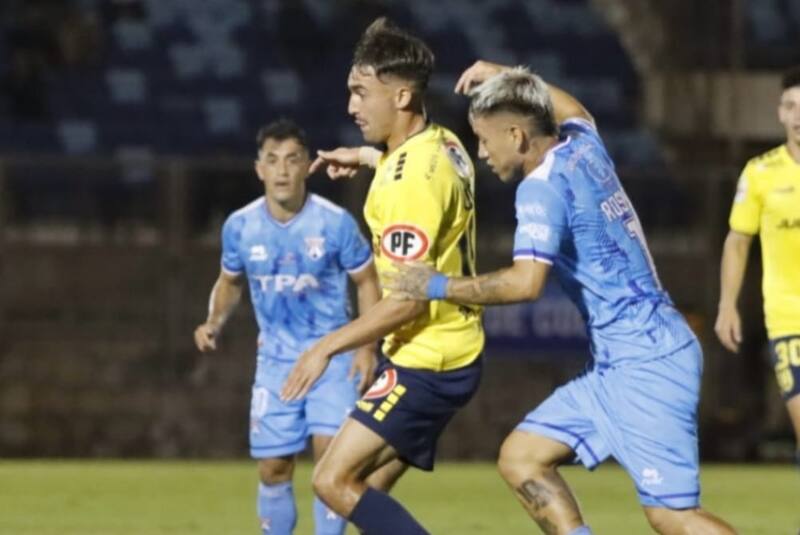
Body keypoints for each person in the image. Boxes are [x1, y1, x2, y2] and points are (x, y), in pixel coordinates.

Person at [385, 61, 736, 535]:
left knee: (671, 515)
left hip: (649, 363)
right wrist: (509, 75)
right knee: (522, 458)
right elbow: (574, 107)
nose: (482, 153)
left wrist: (437, 285)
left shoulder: (540, 190)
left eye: (486, 140)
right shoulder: (582, 146)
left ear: (517, 135)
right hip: (619, 364)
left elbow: (526, 283)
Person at [280, 18, 484, 535]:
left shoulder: (409, 184)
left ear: (402, 95)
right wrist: (370, 157)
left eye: (361, 92)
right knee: (366, 498)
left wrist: (327, 346)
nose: (351, 106)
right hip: (456, 347)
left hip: (426, 358)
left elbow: (408, 300)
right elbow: (412, 166)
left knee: (331, 482)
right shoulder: (444, 143)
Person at [193, 118, 381, 535]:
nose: (282, 170)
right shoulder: (240, 227)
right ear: (259, 168)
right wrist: (213, 322)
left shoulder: (335, 223)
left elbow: (368, 281)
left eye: (292, 160)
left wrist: (367, 348)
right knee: (274, 468)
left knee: (330, 462)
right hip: (277, 363)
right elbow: (229, 283)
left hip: (334, 359)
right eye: (272, 160)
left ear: (307, 166)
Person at [715, 67, 800, 472]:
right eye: (790, 106)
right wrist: (727, 305)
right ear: (780, 113)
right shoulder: (760, 173)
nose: (798, 116)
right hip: (788, 318)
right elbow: (737, 240)